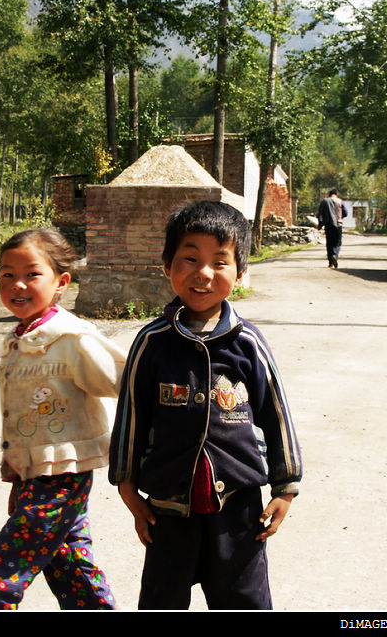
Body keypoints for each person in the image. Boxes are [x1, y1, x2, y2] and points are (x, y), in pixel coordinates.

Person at [109, 200, 302, 610]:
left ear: (241, 272)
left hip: (238, 509)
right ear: (167, 265)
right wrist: (127, 484)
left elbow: (276, 415)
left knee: (244, 601)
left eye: (220, 261)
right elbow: (131, 416)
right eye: (190, 258)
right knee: (162, 600)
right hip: (166, 509)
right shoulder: (151, 343)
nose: (204, 273)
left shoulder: (248, 344)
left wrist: (286, 486)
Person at [0, 228, 126, 610]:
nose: (17, 284)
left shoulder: (72, 338)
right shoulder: (21, 337)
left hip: (63, 476)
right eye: (7, 274)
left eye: (32, 274)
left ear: (61, 283)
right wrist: (18, 474)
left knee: (2, 569)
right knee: (70, 564)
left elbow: (127, 379)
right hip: (36, 475)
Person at [318, 188, 347, 268]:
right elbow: (346, 213)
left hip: (328, 224)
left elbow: (320, 213)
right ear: (337, 194)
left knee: (329, 243)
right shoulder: (340, 201)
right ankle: (335, 255)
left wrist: (320, 223)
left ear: (329, 194)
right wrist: (340, 217)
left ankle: (330, 262)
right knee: (337, 242)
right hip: (338, 225)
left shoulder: (324, 201)